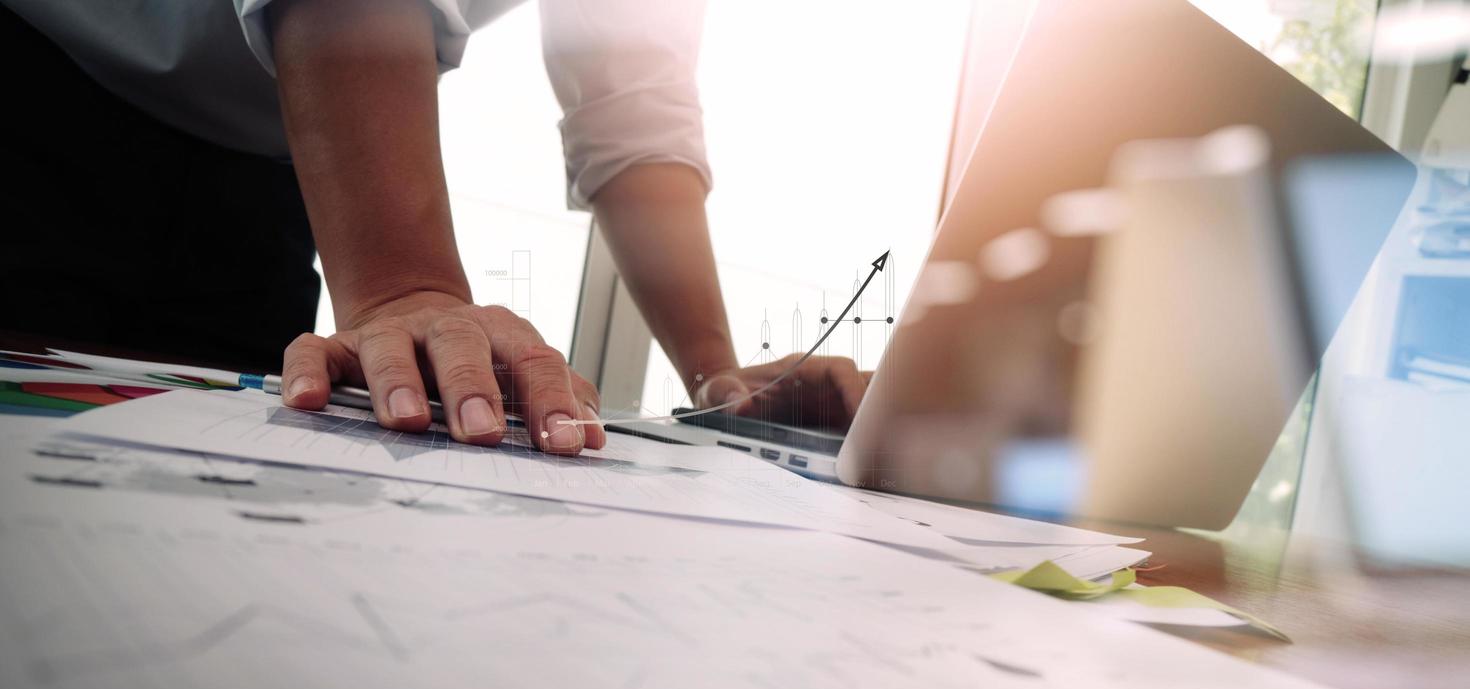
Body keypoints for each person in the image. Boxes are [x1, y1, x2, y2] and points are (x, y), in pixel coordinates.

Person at [1, 0, 870, 454]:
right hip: (42, 94)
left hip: (278, 168)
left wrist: (720, 379)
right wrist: (404, 287)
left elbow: (631, 100)